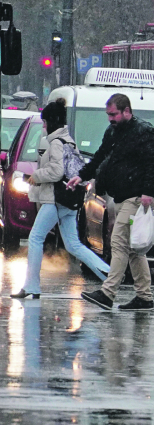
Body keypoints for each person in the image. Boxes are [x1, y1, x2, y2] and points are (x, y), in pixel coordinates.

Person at [70, 94, 154, 311]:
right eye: (108, 115)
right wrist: (82, 175)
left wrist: (148, 192)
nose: (110, 119)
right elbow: (100, 156)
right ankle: (144, 296)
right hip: (124, 197)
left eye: (113, 114)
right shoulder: (113, 131)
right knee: (133, 250)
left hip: (137, 198)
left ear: (126, 111)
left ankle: (108, 293)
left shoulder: (144, 131)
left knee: (119, 242)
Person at [10, 99, 110, 299]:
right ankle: (108, 273)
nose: (44, 127)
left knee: (36, 238)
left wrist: (35, 177)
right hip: (67, 199)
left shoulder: (56, 142)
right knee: (73, 244)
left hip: (55, 199)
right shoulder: (68, 140)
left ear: (52, 121)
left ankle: (31, 286)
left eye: (45, 122)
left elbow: (56, 172)